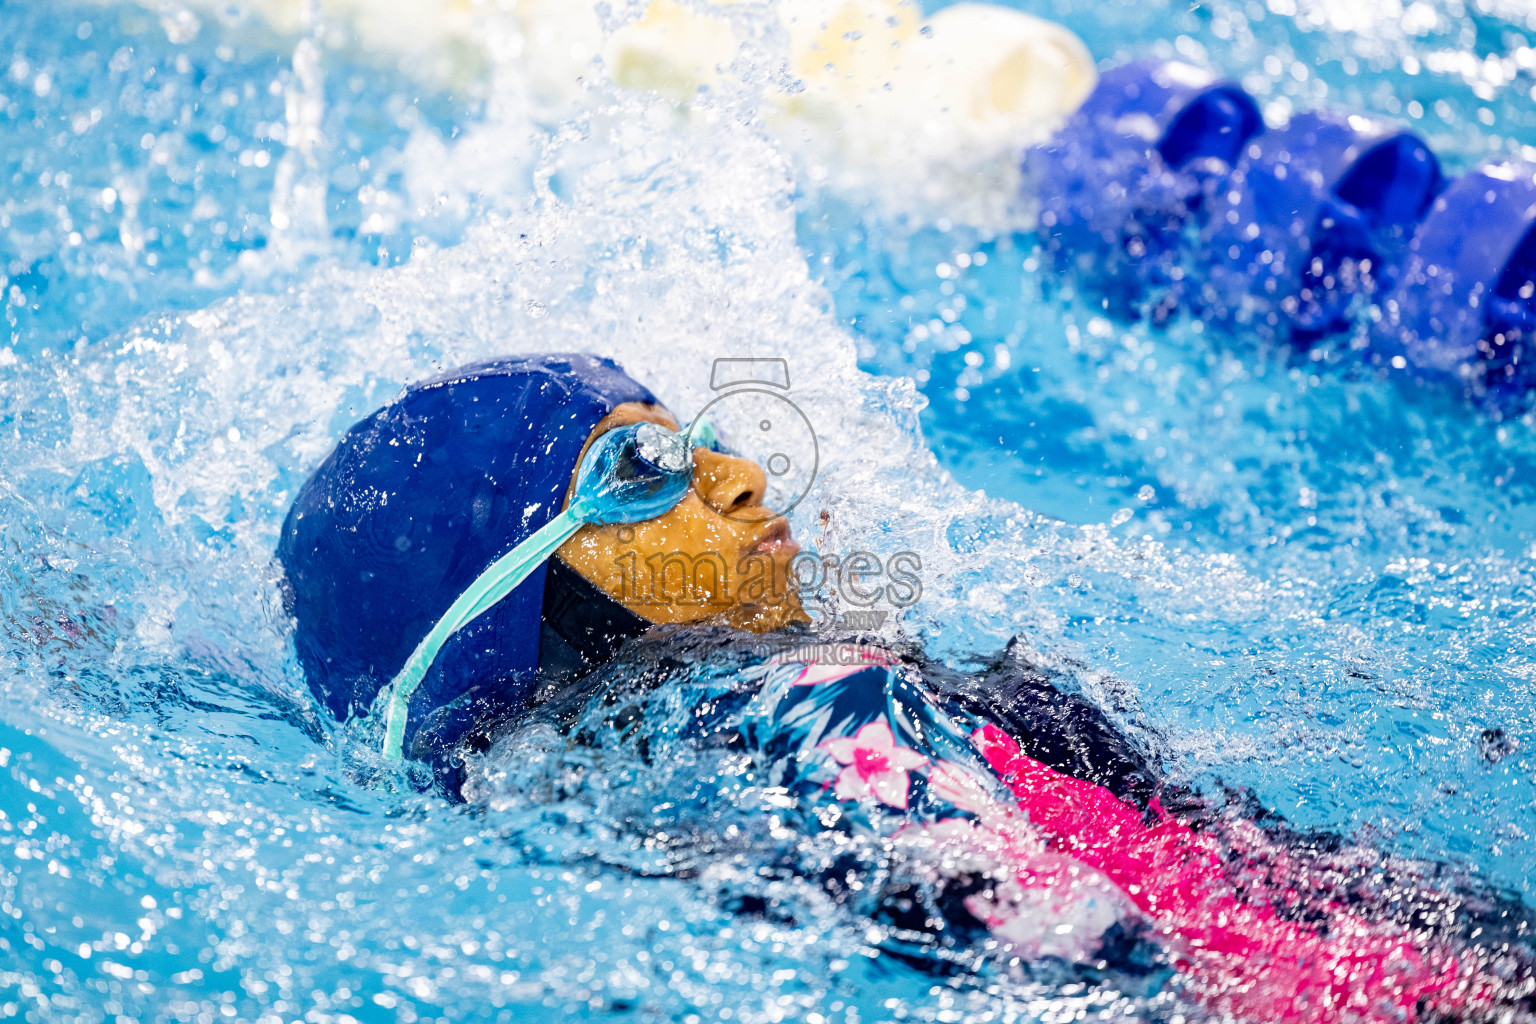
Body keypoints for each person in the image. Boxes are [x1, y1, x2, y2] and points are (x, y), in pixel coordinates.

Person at [278, 353, 1533, 1023]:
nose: (739, 475)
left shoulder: (659, 776)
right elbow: (1039, 923)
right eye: (642, 468)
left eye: (700, 438)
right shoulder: (797, 695)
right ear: (517, 605)